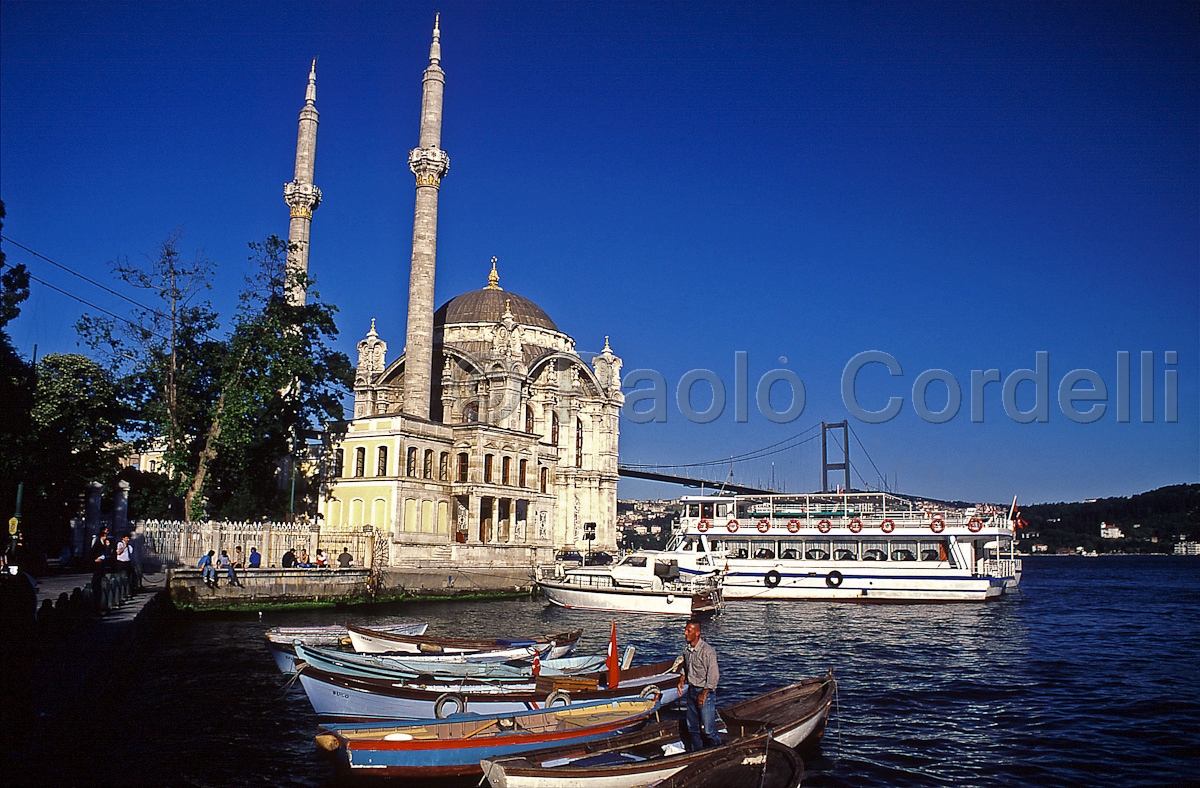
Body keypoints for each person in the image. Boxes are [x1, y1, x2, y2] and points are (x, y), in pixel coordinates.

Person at [677, 618, 722, 752]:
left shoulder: (708, 651)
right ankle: (697, 752)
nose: (685, 633)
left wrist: (705, 692)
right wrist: (682, 678)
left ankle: (719, 749)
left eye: (688, 631)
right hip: (691, 692)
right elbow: (686, 665)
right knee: (692, 728)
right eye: (685, 630)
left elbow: (714, 675)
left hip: (704, 693)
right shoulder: (687, 650)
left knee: (708, 730)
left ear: (697, 633)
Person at [90, 527, 113, 596]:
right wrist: (94, 559)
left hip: (103, 560)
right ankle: (94, 589)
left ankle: (99, 589)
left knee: (102, 575)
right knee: (97, 576)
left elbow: (105, 551)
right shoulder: (97, 540)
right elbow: (93, 550)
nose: (106, 534)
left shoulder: (105, 541)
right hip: (98, 561)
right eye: (105, 532)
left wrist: (107, 546)